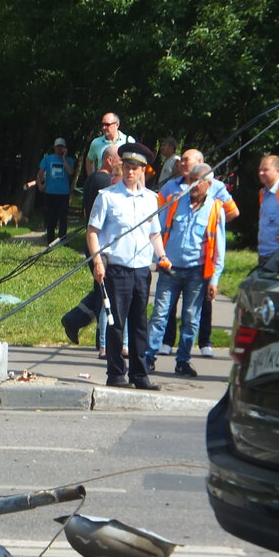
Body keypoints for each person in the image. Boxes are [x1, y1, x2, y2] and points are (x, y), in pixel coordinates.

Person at [86, 143, 166, 390]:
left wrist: (162, 256)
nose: (131, 173)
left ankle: (140, 375)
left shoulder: (151, 200)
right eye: (127, 167)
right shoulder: (108, 197)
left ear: (144, 171)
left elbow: (154, 234)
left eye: (135, 169)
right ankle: (116, 373)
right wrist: (98, 261)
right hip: (117, 269)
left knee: (139, 323)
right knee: (116, 323)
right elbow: (92, 231)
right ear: (121, 168)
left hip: (142, 270)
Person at [145, 163, 226, 378]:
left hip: (197, 273)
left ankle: (183, 361)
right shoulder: (175, 202)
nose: (192, 185)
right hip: (170, 269)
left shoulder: (216, 209)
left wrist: (214, 279)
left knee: (191, 318)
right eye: (190, 180)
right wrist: (158, 259)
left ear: (208, 184)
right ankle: (149, 358)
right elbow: (159, 231)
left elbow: (219, 247)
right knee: (159, 315)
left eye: (197, 182)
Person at [158, 148, 240, 357]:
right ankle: (167, 342)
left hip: (201, 260)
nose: (182, 163)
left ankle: (204, 342)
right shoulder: (172, 186)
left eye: (187, 160)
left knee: (197, 308)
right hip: (174, 257)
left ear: (200, 163)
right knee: (168, 306)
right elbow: (159, 211)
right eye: (182, 160)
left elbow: (233, 211)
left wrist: (214, 224)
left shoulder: (216, 186)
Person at [61, 145, 120, 352]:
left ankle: (74, 320)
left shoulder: (92, 179)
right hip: (100, 244)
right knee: (106, 292)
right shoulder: (106, 183)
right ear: (109, 160)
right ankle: (101, 341)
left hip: (92, 241)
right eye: (119, 160)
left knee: (100, 289)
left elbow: (87, 211)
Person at [36, 137, 75, 246]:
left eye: (62, 147)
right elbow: (40, 173)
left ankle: (63, 239)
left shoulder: (69, 160)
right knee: (50, 217)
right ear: (54, 147)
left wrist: (64, 158)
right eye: (58, 146)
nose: (60, 149)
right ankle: (50, 239)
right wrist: (40, 184)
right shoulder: (47, 159)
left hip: (63, 193)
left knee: (62, 218)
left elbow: (70, 172)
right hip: (50, 192)